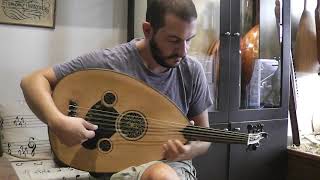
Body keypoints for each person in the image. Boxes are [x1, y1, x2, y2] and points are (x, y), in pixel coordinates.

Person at [20, 0, 213, 179]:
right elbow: (32, 81)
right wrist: (58, 122)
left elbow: (204, 137)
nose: (184, 51)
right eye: (174, 40)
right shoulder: (110, 63)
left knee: (161, 175)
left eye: (189, 40)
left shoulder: (192, 71)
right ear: (148, 30)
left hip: (172, 168)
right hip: (114, 166)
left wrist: (188, 151)